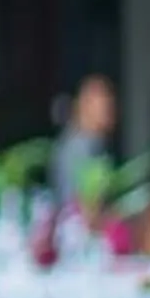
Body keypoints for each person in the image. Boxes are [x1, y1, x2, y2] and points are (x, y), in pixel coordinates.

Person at [49, 71, 118, 204]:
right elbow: (75, 204)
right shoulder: (75, 148)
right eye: (104, 104)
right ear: (85, 105)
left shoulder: (96, 143)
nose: (110, 111)